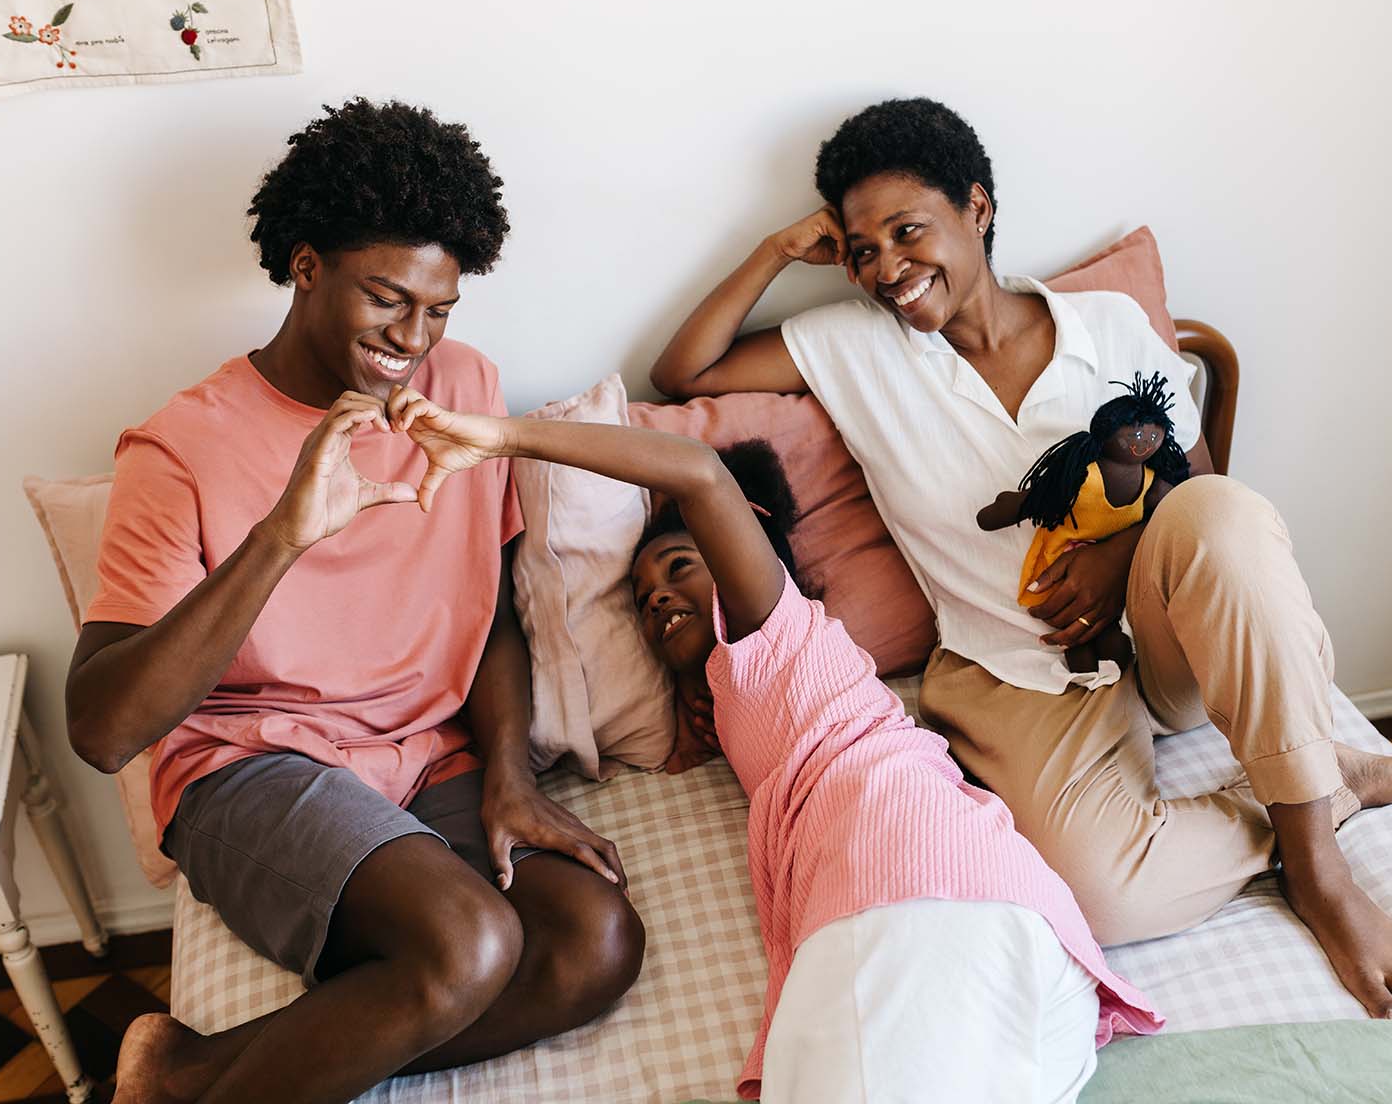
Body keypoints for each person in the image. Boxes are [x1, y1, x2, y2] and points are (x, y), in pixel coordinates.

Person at [647, 96, 1392, 1021]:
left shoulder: (1108, 328)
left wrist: (1118, 557)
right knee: (1102, 899)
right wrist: (778, 250)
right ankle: (1327, 786)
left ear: (976, 207)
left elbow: (1201, 488)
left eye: (907, 230)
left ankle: (1321, 876)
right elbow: (682, 373)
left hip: (1163, 635)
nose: (887, 268)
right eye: (861, 250)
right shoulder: (851, 347)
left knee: (1225, 516)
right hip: (1017, 673)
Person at [65, 99, 643, 1104]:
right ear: (304, 266)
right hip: (254, 769)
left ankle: (190, 1071)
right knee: (471, 945)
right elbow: (103, 729)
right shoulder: (181, 446)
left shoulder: (461, 385)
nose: (412, 340)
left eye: (438, 310)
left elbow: (490, 607)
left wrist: (507, 777)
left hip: (427, 754)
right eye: (386, 299)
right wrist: (283, 534)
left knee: (594, 943)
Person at [381, 382, 1162, 1104]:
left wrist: (502, 437)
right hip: (993, 925)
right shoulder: (741, 691)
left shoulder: (781, 630)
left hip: (912, 881)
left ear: (742, 544)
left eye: (679, 567)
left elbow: (697, 475)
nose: (656, 598)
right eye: (646, 603)